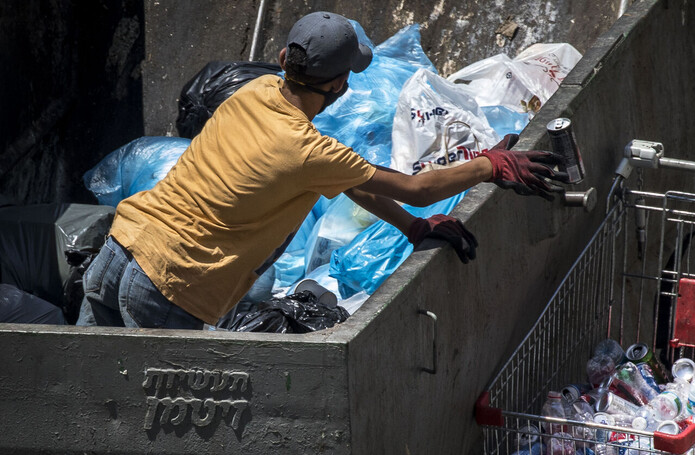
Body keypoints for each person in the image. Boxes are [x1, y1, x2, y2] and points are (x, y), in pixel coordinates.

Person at [78, 11, 566, 330]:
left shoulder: (252, 93)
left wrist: (413, 228)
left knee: (76, 402)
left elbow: (353, 186)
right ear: (337, 86)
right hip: (169, 284)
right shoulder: (309, 150)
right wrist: (488, 165)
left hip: (119, 249)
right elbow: (416, 187)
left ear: (284, 58)